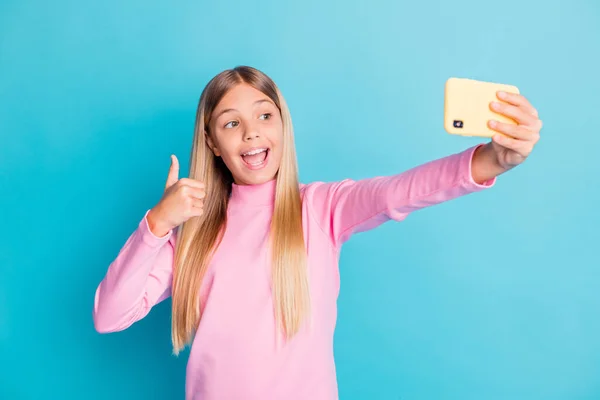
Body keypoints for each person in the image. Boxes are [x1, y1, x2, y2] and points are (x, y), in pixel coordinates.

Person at [92, 66, 542, 400]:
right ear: (212, 143)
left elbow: (398, 193)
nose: (251, 133)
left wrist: (491, 161)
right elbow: (109, 316)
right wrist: (156, 226)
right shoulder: (189, 236)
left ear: (283, 124)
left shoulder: (322, 208)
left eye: (264, 116)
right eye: (231, 123)